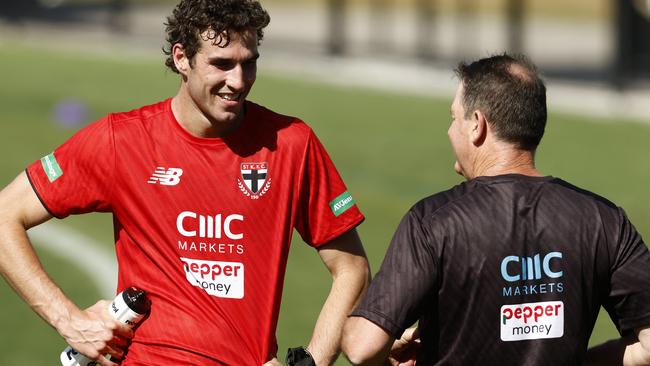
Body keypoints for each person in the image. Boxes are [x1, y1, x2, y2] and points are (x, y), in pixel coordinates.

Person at [0, 0, 370, 365]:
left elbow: (351, 268)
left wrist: (312, 362)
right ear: (181, 58)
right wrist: (70, 322)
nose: (238, 82)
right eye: (222, 64)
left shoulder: (291, 143)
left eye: (249, 62)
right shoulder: (122, 141)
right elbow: (5, 216)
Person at [340, 54, 650, 365]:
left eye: (453, 118)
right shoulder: (603, 220)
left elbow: (363, 347)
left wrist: (366, 333)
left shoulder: (433, 221)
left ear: (477, 124)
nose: (450, 131)